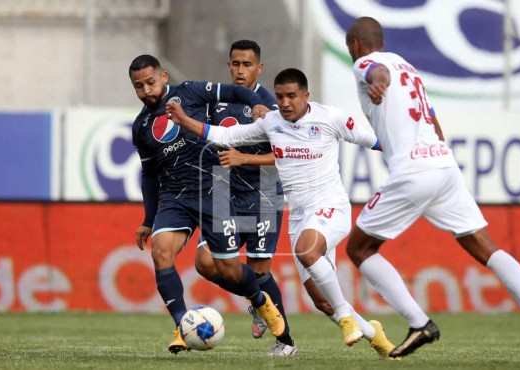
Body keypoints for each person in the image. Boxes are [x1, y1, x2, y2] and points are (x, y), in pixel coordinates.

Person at [343, 16, 520, 366]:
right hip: (443, 164)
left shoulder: (366, 63)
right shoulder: (409, 68)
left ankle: (420, 324)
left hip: (412, 171)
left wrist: (377, 83)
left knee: (359, 248)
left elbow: (376, 73)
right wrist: (439, 157)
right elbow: (432, 118)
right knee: (482, 244)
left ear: (355, 44)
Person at [165, 67, 397, 358]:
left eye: (291, 96)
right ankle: (377, 336)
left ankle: (346, 318)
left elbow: (374, 141)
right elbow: (225, 134)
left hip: (331, 206)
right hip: (300, 215)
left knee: (307, 252)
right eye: (280, 97)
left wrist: (409, 153)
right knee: (320, 301)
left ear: (306, 96)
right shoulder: (271, 122)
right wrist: (185, 120)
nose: (285, 103)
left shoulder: (331, 118)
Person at [129, 54, 285, 355]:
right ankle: (181, 327)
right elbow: (149, 174)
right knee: (161, 253)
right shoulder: (141, 126)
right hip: (176, 196)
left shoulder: (190, 91)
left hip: (216, 190)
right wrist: (149, 219)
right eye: (139, 86)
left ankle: (260, 301)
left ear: (163, 76)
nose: (147, 90)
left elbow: (235, 91)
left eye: (150, 82)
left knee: (230, 269)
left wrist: (254, 103)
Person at [199, 39, 297, 357]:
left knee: (257, 271)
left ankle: (285, 341)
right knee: (205, 262)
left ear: (259, 67)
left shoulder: (270, 105)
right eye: (236, 64)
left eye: (247, 65)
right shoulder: (217, 101)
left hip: (263, 195)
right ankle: (256, 299)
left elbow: (284, 154)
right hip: (224, 194)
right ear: (229, 65)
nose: (241, 71)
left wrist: (244, 158)